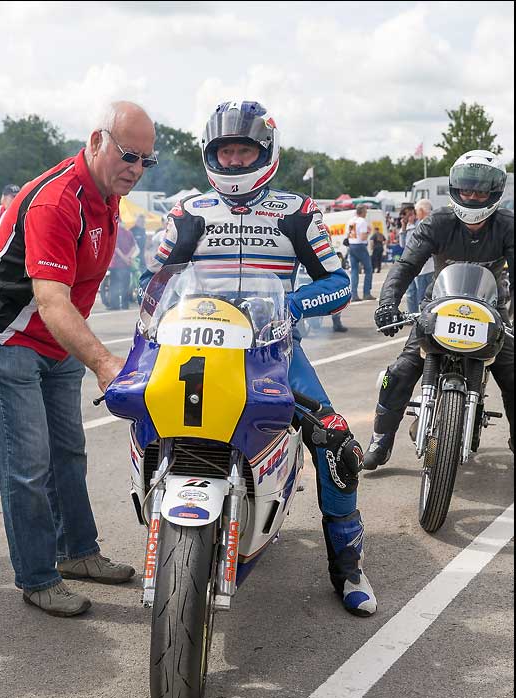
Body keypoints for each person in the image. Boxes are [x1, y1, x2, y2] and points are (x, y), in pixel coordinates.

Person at [140, 100, 376, 616]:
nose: (233, 159)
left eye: (243, 149)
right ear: (210, 154)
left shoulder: (297, 211)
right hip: (194, 345)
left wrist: (291, 304)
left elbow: (337, 282)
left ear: (265, 151)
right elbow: (152, 281)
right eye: (224, 150)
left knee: (336, 443)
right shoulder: (188, 213)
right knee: (147, 419)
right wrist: (157, 307)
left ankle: (349, 567)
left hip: (273, 351)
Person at [0, 100, 157, 617]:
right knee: (27, 466)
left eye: (147, 160)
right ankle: (37, 577)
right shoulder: (57, 201)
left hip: (59, 342)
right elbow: (52, 299)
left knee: (69, 453)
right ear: (97, 140)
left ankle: (77, 552)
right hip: (10, 340)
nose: (136, 168)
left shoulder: (108, 194)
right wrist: (106, 364)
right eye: (129, 154)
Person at [363, 150, 514, 470]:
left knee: (512, 375)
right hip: (439, 309)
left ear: (495, 194)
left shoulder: (508, 226)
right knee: (400, 371)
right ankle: (380, 439)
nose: (473, 197)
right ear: (455, 189)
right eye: (467, 190)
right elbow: (405, 265)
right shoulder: (437, 222)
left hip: (492, 314)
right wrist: (387, 303)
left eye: (481, 191)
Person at [406, 199, 434, 310]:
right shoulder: (434, 221)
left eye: (417, 211)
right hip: (432, 266)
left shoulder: (423, 224)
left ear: (421, 211)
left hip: (424, 267)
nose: (416, 213)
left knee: (423, 298)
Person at [346, 204, 376, 301]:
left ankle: (353, 294)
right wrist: (368, 232)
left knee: (354, 270)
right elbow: (363, 237)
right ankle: (366, 292)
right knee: (368, 269)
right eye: (365, 211)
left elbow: (348, 234)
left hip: (351, 244)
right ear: (362, 212)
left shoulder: (351, 220)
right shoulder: (362, 221)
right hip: (360, 245)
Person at [108, 220, 138, 309]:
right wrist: (127, 258)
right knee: (125, 285)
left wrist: (125, 258)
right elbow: (134, 247)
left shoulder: (116, 232)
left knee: (114, 285)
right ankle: (125, 305)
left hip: (116, 264)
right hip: (126, 264)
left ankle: (115, 305)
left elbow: (116, 248)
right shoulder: (128, 233)